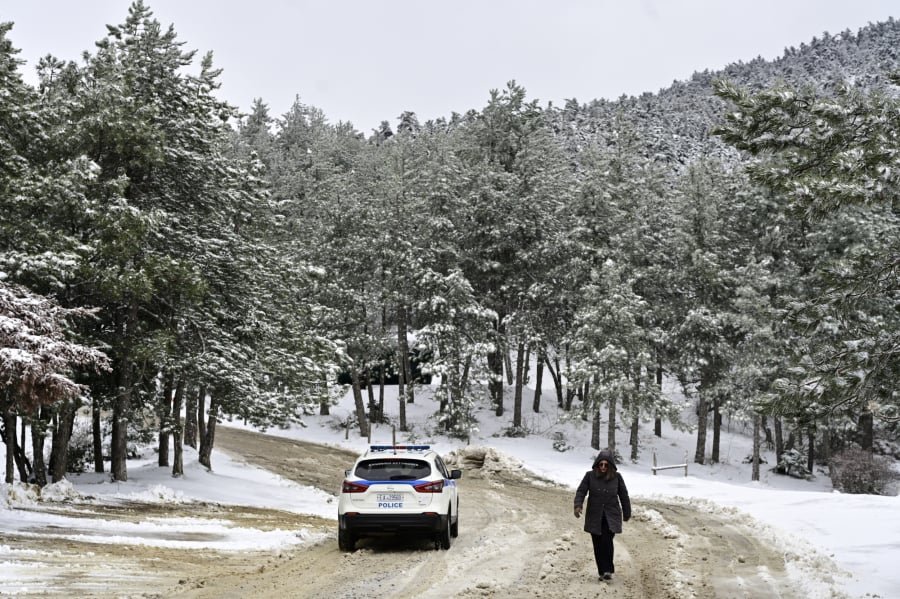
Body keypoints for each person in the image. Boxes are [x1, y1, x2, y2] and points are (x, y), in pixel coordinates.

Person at [573, 449, 631, 581]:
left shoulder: (617, 477)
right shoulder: (589, 476)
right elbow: (581, 491)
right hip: (595, 515)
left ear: (610, 465)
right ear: (597, 464)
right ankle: (602, 571)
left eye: (606, 464)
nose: (603, 467)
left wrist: (627, 512)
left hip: (611, 515)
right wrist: (578, 505)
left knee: (606, 540)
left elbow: (623, 495)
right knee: (597, 543)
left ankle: (608, 570)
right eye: (601, 464)